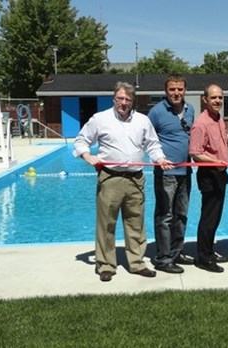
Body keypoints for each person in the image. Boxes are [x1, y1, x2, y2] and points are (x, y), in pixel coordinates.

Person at [73, 81, 173, 282]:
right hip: (111, 178)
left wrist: (159, 158)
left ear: (133, 100)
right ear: (114, 99)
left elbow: (152, 145)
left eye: (128, 99)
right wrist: (87, 156)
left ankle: (136, 263)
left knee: (136, 224)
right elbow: (81, 140)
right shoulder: (100, 119)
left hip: (136, 179)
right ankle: (106, 265)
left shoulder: (143, 121)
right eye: (120, 98)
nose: (124, 103)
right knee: (106, 224)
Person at [147, 75, 195, 274]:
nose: (176, 93)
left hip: (185, 171)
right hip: (166, 173)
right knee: (165, 216)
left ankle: (176, 252)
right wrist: (158, 159)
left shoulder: (190, 109)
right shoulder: (156, 112)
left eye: (180, 89)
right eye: (172, 89)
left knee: (181, 215)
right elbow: (147, 140)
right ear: (166, 92)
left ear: (185, 90)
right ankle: (163, 258)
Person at [189, 84, 228, 273]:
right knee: (208, 217)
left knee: (216, 217)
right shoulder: (201, 123)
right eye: (213, 97)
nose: (218, 101)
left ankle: (209, 251)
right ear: (205, 99)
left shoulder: (219, 119)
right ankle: (203, 258)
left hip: (220, 173)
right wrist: (216, 162)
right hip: (209, 175)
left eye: (220, 97)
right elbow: (195, 153)